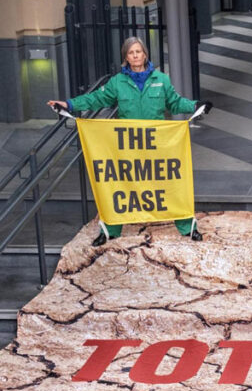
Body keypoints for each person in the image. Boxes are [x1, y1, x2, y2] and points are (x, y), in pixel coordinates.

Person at [48, 36, 211, 246]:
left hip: (156, 143)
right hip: (128, 144)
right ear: (126, 56)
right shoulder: (117, 82)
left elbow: (175, 102)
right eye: (131, 52)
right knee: (119, 186)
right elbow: (96, 99)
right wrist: (69, 104)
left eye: (138, 51)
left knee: (170, 184)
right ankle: (110, 230)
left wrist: (196, 105)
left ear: (145, 54)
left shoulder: (161, 79)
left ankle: (188, 227)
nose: (135, 56)